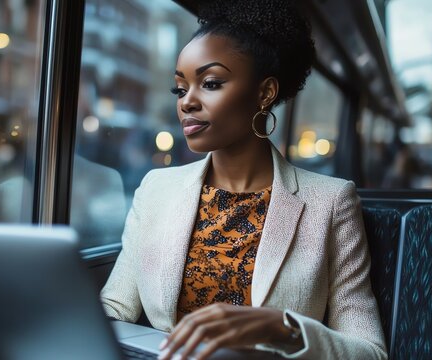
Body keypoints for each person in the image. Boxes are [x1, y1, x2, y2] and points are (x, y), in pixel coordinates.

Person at [100, 0, 387, 359]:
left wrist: (281, 328)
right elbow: (112, 310)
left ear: (264, 93)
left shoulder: (331, 202)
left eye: (210, 83)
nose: (187, 102)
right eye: (180, 88)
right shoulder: (156, 189)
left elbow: (371, 352)